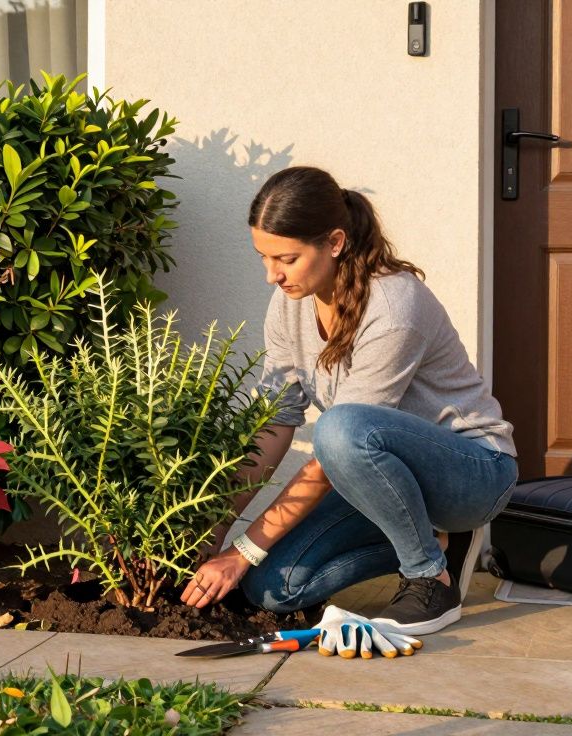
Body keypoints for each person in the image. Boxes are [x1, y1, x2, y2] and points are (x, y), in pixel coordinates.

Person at [179, 166, 519, 635]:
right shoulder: (289, 302)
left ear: (334, 243)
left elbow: (337, 445)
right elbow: (274, 423)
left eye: (286, 258)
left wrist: (243, 551)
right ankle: (436, 539)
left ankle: (429, 577)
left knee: (340, 428)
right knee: (272, 590)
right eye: (263, 258)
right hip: (379, 476)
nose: (271, 275)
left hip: (472, 470)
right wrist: (213, 532)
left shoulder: (394, 307)